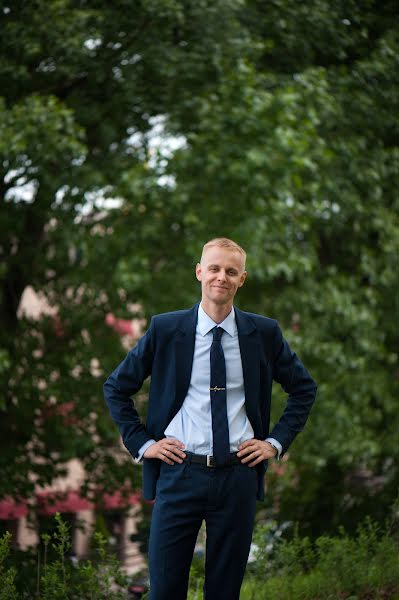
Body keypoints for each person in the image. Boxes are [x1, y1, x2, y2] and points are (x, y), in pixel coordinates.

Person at [104, 237, 317, 600]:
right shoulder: (166, 329)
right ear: (199, 272)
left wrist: (274, 443)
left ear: (242, 279)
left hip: (237, 478)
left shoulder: (263, 334)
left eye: (231, 271)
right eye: (214, 268)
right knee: (165, 590)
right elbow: (116, 387)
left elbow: (303, 389)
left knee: (224, 592)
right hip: (179, 474)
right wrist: (144, 444)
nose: (222, 277)